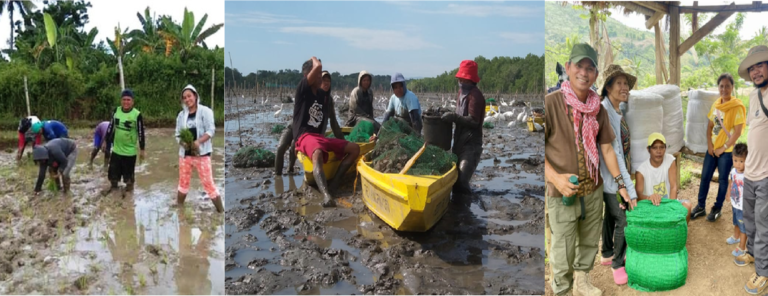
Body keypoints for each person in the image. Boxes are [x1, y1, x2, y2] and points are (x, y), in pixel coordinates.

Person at [543, 43, 631, 296]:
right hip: (563, 193)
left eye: (590, 68)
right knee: (562, 247)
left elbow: (606, 150)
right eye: (579, 66)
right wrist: (555, 178)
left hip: (592, 190)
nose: (584, 72)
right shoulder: (551, 104)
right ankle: (561, 289)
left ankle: (581, 283)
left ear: (595, 75)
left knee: (589, 241)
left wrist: (621, 185)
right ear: (568, 68)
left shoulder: (598, 109)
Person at [293, 57, 359, 207]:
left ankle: (334, 184)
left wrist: (341, 139)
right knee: (317, 152)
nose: (320, 79)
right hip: (305, 136)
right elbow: (318, 65)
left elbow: (334, 123)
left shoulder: (324, 96)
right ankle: (326, 196)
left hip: (319, 137)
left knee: (355, 149)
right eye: (317, 75)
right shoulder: (303, 89)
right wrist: (314, 59)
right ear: (308, 76)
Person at [596, 64, 638, 285]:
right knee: (624, 218)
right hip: (612, 178)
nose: (625, 88)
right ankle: (617, 264)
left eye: (626, 84)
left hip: (610, 177)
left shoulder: (614, 109)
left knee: (610, 215)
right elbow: (614, 153)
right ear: (608, 87)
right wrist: (627, 188)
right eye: (619, 83)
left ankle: (606, 253)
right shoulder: (605, 111)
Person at [734, 45, 768, 295]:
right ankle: (755, 256)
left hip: (766, 175)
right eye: (752, 67)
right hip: (750, 173)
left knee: (764, 225)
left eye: (761, 65)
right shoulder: (754, 96)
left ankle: (764, 273)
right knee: (750, 221)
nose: (756, 71)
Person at [691, 73, 746, 221]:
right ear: (718, 87)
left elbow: (738, 131)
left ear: (732, 87)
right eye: (721, 86)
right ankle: (701, 206)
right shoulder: (716, 104)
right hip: (712, 150)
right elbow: (709, 126)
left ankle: (717, 208)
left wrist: (724, 147)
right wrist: (710, 145)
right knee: (705, 177)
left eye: (728, 86)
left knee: (722, 180)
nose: (724, 89)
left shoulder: (736, 106)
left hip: (726, 152)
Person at [275, 71, 343, 175]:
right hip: (296, 126)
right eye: (323, 80)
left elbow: (333, 123)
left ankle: (290, 169)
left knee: (294, 145)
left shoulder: (328, 101)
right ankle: (277, 176)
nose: (326, 83)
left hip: (311, 132)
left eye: (328, 81)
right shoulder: (309, 93)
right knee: (281, 147)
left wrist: (343, 142)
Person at [174, 84, 223, 213]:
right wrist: (183, 143)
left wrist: (198, 142)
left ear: (195, 96)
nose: (187, 99)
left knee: (208, 184)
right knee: (183, 183)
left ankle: (221, 212)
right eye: (184, 97)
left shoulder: (205, 111)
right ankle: (179, 208)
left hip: (202, 155)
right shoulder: (181, 115)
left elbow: (211, 130)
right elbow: (178, 134)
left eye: (189, 96)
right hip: (185, 155)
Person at [440, 61, 484, 196]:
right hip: (459, 141)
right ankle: (458, 209)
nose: (459, 80)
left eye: (462, 78)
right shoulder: (461, 92)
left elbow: (474, 121)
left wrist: (453, 117)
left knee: (462, 181)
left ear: (469, 79)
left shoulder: (475, 96)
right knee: (454, 179)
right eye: (459, 78)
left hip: (471, 145)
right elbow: (460, 114)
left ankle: (466, 213)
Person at [634, 133, 693, 223]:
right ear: (648, 149)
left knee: (687, 206)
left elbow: (673, 187)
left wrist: (671, 207)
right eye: (654, 148)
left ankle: (679, 234)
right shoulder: (641, 171)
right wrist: (649, 198)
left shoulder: (670, 161)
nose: (659, 151)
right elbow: (638, 195)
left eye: (662, 147)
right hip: (651, 206)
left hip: (668, 203)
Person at [101, 89, 146, 198]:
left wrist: (142, 149)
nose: (126, 102)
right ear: (121, 101)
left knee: (129, 178)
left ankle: (129, 194)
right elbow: (110, 127)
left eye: (128, 100)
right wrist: (106, 141)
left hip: (130, 152)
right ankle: (114, 189)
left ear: (132, 101)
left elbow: (141, 132)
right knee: (113, 175)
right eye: (124, 99)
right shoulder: (116, 111)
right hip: (116, 150)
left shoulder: (137, 114)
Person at [728, 143, 748, 257]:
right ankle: (736, 237)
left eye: (741, 161)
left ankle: (742, 247)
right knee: (735, 221)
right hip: (735, 203)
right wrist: (728, 194)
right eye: (735, 160)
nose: (738, 164)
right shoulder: (733, 171)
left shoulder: (747, 174)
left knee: (743, 226)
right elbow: (730, 182)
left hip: (743, 206)